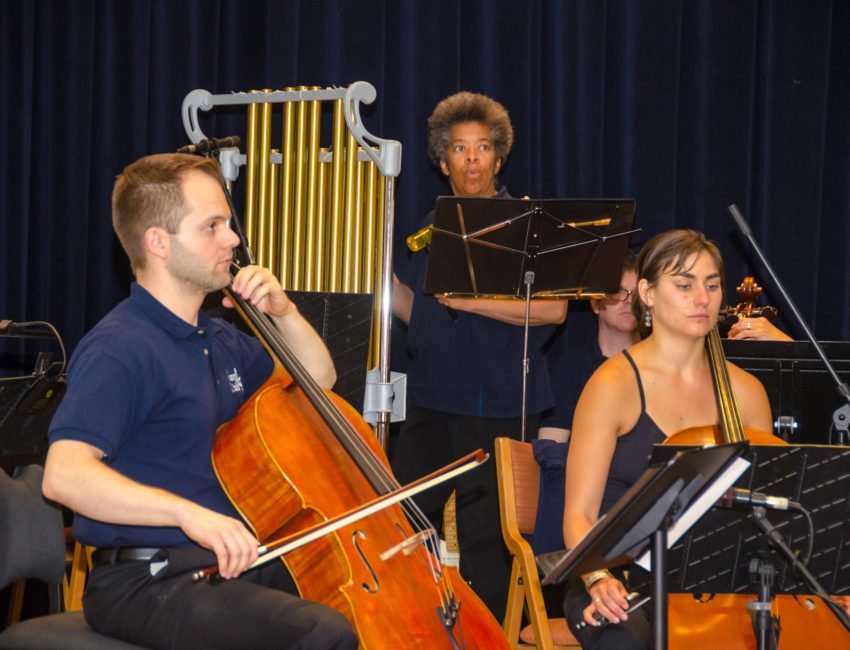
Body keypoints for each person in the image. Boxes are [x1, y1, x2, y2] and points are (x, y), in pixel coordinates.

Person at [42, 153, 358, 650]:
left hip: (224, 564)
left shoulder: (218, 336)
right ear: (158, 242)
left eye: (228, 224)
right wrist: (189, 514)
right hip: (147, 580)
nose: (232, 239)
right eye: (212, 226)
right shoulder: (120, 348)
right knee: (324, 633)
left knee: (353, 604)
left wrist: (284, 311)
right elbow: (64, 475)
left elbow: (318, 378)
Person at [391, 91, 568, 620]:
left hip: (497, 405)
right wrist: (375, 275)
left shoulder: (525, 223)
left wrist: (467, 300)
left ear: (499, 158)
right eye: (460, 149)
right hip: (428, 399)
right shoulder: (429, 228)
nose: (472, 158)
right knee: (401, 523)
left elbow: (555, 311)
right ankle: (414, 625)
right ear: (442, 162)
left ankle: (487, 633)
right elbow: (417, 312)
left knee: (486, 543)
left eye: (483, 147)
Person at [562, 229, 774, 649]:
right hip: (618, 572)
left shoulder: (748, 393)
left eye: (711, 285)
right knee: (627, 638)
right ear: (648, 293)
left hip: (718, 579)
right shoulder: (612, 385)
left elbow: (765, 510)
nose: (703, 298)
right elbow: (579, 515)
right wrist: (598, 579)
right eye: (684, 284)